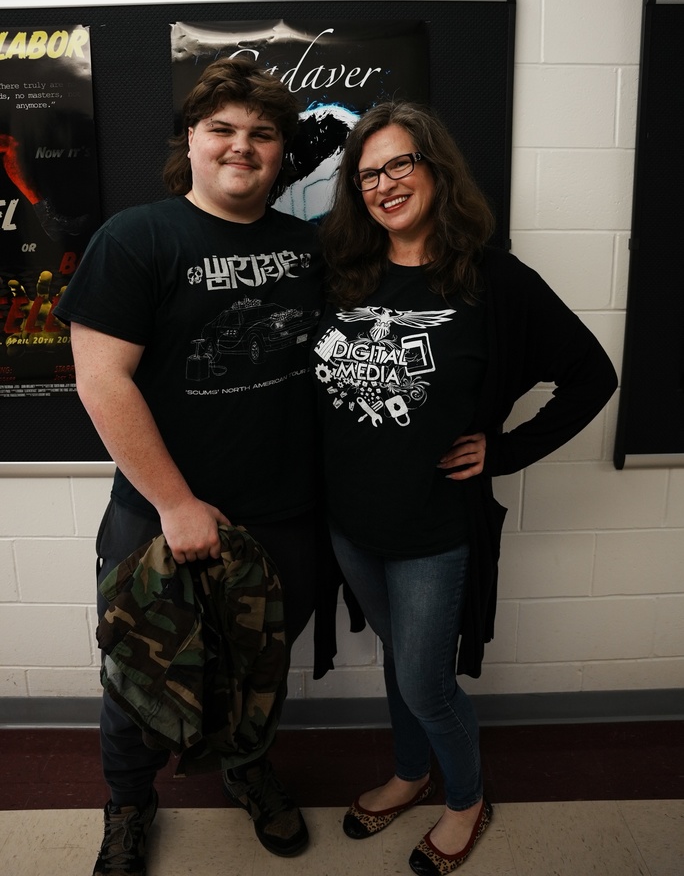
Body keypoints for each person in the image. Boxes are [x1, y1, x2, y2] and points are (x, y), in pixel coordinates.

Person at [313, 101, 618, 876]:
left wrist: (506, 451)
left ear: (435, 169)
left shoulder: (496, 280)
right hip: (350, 521)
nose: (383, 184)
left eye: (399, 164)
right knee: (394, 657)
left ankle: (466, 799)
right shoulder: (343, 272)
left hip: (434, 526)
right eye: (367, 172)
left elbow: (592, 376)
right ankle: (413, 774)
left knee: (425, 676)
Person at [55, 58, 324, 874]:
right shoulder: (136, 237)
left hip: (283, 514)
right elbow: (102, 381)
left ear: (282, 155)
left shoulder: (308, 245)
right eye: (223, 130)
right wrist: (175, 503)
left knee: (258, 667)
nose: (242, 147)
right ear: (192, 143)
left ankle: (247, 767)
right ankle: (130, 805)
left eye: (262, 134)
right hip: (159, 515)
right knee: (139, 673)